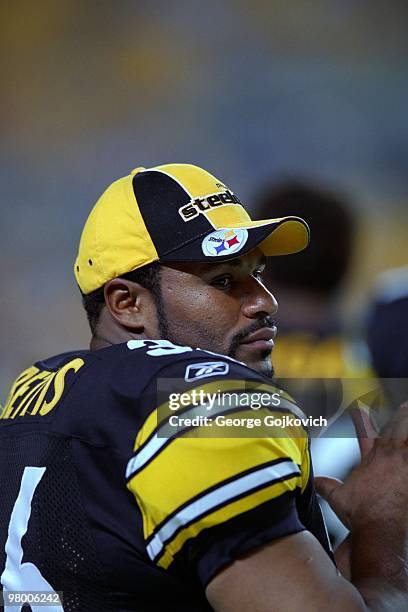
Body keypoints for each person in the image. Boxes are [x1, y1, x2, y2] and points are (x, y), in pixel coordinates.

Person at [0, 163, 407, 612]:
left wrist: (363, 535)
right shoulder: (206, 397)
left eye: (259, 274)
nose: (265, 302)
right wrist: (384, 526)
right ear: (128, 303)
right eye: (224, 280)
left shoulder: (33, 389)